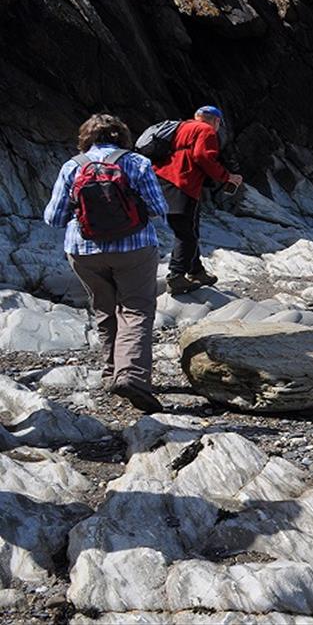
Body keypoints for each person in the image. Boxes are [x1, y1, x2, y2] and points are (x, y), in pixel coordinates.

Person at [43, 114, 168, 413]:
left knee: (104, 308)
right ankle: (133, 377)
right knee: (136, 309)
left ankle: (112, 372)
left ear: (86, 137)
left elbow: (53, 218)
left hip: (84, 251)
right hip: (134, 248)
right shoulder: (137, 163)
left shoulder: (72, 166)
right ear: (122, 136)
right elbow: (158, 209)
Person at [154, 105, 242, 296]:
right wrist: (226, 177)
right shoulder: (205, 130)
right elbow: (202, 156)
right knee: (186, 233)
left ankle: (197, 272)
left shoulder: (182, 127)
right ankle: (176, 276)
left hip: (163, 180)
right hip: (183, 184)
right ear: (216, 120)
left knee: (188, 228)